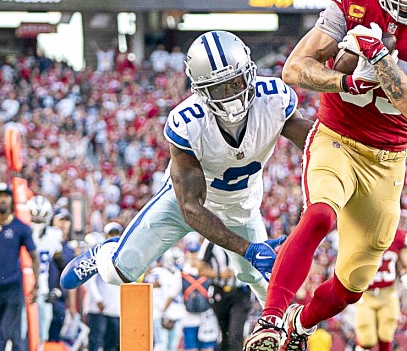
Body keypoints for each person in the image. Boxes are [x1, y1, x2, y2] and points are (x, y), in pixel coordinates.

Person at [244, 0, 407, 351]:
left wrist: (380, 59)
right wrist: (347, 77)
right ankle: (270, 321)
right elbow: (295, 70)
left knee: (352, 284)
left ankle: (301, 322)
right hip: (338, 138)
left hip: (387, 160)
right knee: (319, 216)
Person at [61, 31, 313, 308]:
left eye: (235, 82)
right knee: (119, 272)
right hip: (187, 205)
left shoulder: (273, 100)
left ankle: (284, 330)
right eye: (220, 88)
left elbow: (314, 146)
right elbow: (191, 208)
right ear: (201, 91)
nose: (231, 96)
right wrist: (246, 248)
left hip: (242, 205)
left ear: (249, 73)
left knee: (261, 279)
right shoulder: (187, 123)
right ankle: (103, 252)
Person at [0, 182, 40, 351]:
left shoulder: (21, 227)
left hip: (13, 287)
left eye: (6, 196)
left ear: (11, 200)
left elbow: (34, 256)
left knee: (12, 334)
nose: (2, 200)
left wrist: (36, 285)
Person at [354, 224, 407, 351]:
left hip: (388, 292)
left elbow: (406, 263)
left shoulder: (398, 236)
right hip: (366, 293)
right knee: (366, 336)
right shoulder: (361, 232)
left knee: (387, 332)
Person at [201, 238, 252, 351]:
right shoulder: (210, 241)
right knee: (224, 334)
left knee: (235, 334)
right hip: (220, 292)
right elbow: (200, 268)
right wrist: (219, 274)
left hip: (240, 292)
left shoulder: (246, 236)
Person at [27, 195, 66, 343]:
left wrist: (56, 289)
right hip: (22, 290)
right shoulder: (22, 233)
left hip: (42, 291)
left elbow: (62, 265)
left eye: (41, 216)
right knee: (20, 334)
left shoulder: (53, 236)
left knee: (42, 336)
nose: (37, 220)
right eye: (34, 215)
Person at [84, 222, 124, 351]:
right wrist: (98, 299)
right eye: (111, 234)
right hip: (99, 308)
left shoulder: (124, 254)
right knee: (96, 342)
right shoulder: (100, 252)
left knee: (113, 344)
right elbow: (90, 279)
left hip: (115, 308)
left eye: (117, 234)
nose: (114, 236)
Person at [48, 208, 77, 342]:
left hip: (59, 299)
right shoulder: (45, 242)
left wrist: (71, 306)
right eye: (61, 220)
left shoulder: (70, 250)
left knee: (55, 339)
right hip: (44, 295)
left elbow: (72, 279)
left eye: (66, 220)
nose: (64, 224)